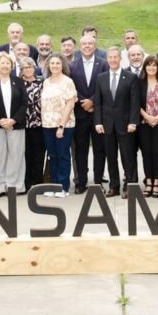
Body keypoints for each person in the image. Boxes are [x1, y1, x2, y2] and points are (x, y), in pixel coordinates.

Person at [93, 47, 139, 198]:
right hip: (107, 125)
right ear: (107, 59)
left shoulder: (130, 77)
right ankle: (114, 186)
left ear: (120, 59)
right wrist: (98, 122)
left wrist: (133, 122)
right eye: (110, 57)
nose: (113, 60)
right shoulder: (101, 77)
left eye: (115, 57)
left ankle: (129, 185)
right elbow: (98, 102)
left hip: (125, 125)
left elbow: (134, 102)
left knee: (128, 156)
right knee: (111, 157)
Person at [70, 35, 107, 193]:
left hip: (98, 114)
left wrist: (92, 101)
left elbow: (105, 85)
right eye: (84, 43)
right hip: (80, 113)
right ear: (80, 46)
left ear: (95, 45)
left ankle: (98, 181)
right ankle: (81, 182)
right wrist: (83, 101)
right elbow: (70, 87)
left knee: (100, 149)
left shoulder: (103, 63)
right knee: (81, 149)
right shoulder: (72, 65)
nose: (87, 46)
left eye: (90, 43)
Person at [0, 54, 27, 196]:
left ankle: (15, 186)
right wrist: (0, 120)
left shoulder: (18, 82)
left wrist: (13, 120)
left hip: (16, 125)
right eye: (2, 63)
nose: (5, 66)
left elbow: (24, 103)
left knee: (16, 156)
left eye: (8, 63)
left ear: (12, 66)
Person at [39, 55, 76, 197]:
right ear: (48, 66)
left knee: (63, 155)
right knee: (52, 156)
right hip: (47, 124)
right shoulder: (46, 82)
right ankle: (53, 185)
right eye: (52, 63)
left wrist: (61, 126)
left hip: (64, 125)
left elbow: (70, 104)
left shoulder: (67, 82)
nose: (54, 66)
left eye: (57, 63)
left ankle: (63, 187)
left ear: (63, 65)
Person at [137, 55, 158, 197]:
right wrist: (147, 117)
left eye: (154, 65)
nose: (151, 68)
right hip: (144, 123)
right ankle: (148, 181)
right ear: (145, 67)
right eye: (148, 65)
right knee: (146, 153)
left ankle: (156, 182)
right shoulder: (139, 82)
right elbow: (135, 102)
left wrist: (157, 117)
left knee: (157, 152)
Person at [19, 57, 47, 190]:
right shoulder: (17, 83)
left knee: (39, 154)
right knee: (25, 154)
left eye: (30, 66)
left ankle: (38, 181)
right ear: (21, 70)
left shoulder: (42, 82)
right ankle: (27, 181)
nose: (28, 69)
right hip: (23, 124)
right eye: (25, 67)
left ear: (35, 68)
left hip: (39, 123)